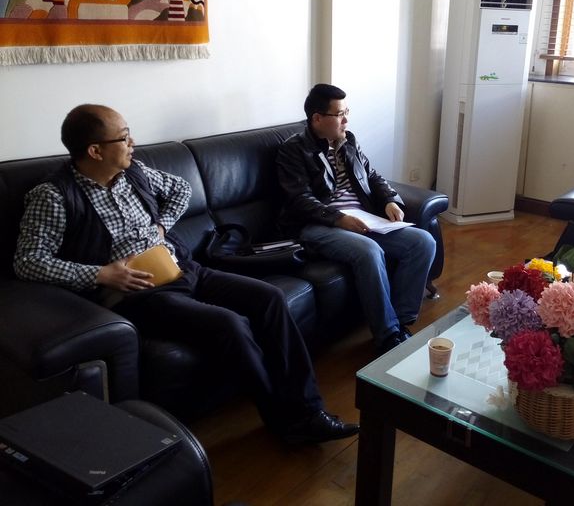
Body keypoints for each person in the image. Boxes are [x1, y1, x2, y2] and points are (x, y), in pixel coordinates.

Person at [13, 104, 358, 445]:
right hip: (140, 294)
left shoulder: (134, 171)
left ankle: (310, 409)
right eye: (124, 137)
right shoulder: (54, 196)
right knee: (230, 324)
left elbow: (181, 189)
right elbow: (28, 261)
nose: (132, 143)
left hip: (183, 268)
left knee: (270, 298)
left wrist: (162, 225)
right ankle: (287, 422)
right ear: (95, 151)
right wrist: (100, 274)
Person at [276, 84, 436, 354]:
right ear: (317, 118)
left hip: (362, 219)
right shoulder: (293, 150)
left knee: (423, 241)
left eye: (346, 112)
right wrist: (338, 218)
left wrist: (389, 200)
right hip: (318, 225)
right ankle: (387, 336)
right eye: (340, 114)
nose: (346, 120)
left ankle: (400, 322)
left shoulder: (348, 141)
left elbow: (372, 176)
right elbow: (299, 199)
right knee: (369, 251)